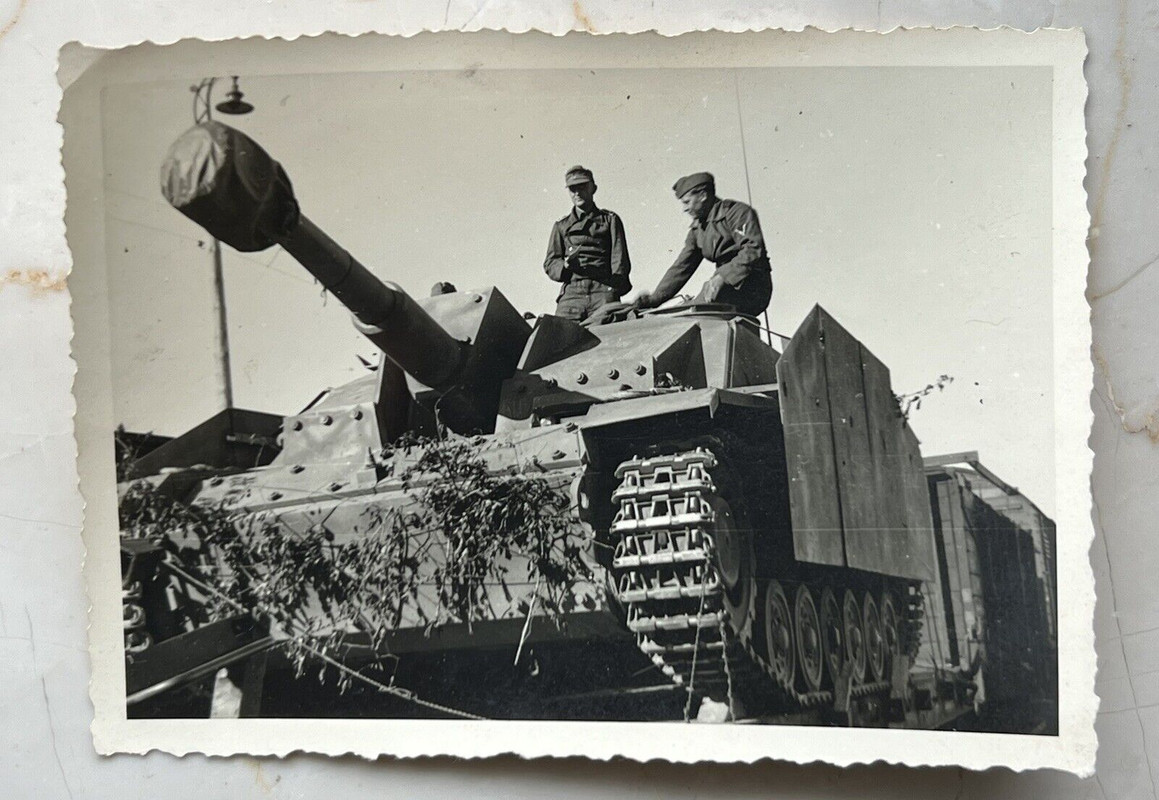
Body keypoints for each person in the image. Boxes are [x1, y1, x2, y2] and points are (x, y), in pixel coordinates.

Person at [635, 172, 772, 317]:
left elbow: (753, 249)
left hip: (752, 285)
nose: (684, 209)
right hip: (722, 286)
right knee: (683, 313)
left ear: (703, 195)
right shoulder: (698, 229)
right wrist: (654, 299)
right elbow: (682, 267)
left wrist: (722, 276)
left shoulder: (736, 212)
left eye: (687, 202)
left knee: (693, 314)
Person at [543, 166, 632, 322]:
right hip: (573, 293)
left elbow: (620, 259)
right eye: (572, 189)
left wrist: (613, 290)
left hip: (603, 290)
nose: (577, 193)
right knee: (557, 336)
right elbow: (550, 263)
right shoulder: (561, 226)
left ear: (593, 188)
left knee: (613, 335)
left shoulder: (610, 220)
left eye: (582, 187)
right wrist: (565, 266)